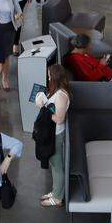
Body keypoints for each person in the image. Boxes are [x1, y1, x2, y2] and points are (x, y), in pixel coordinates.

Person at [34, 65, 70, 207]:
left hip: (56, 135)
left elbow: (59, 118)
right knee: (54, 165)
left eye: (49, 75)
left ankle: (57, 198)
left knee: (57, 166)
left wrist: (44, 107)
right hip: (51, 133)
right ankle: (56, 191)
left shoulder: (61, 95)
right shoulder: (57, 91)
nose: (48, 77)